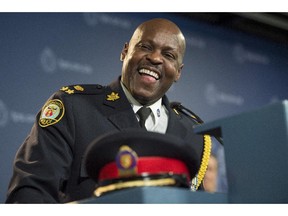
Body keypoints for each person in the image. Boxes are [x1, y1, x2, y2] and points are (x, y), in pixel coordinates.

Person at [5, 18, 211, 203]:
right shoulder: (73, 107)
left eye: (168, 55)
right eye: (145, 46)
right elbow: (30, 193)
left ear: (178, 72)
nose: (155, 58)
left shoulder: (193, 133)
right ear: (125, 51)